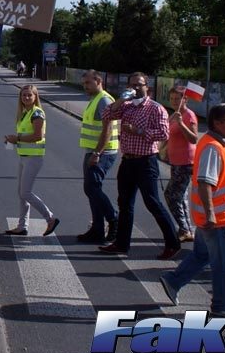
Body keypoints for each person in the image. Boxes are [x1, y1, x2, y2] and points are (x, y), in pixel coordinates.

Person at [159, 103, 225, 318]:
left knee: (202, 255)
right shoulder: (212, 146)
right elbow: (204, 181)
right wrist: (211, 213)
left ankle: (173, 281)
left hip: (215, 217)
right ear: (217, 123)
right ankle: (222, 305)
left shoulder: (220, 143)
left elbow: (218, 175)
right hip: (218, 219)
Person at [99, 72, 181, 259]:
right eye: (132, 85)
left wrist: (138, 131)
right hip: (128, 160)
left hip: (146, 161)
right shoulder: (126, 107)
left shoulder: (155, 108)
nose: (136, 88)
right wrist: (121, 99)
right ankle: (121, 243)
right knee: (125, 203)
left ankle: (172, 243)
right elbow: (106, 115)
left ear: (147, 87)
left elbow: (163, 134)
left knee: (152, 202)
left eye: (139, 85)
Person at [4, 85, 58, 236]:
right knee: (21, 193)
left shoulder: (37, 113)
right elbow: (24, 136)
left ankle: (50, 218)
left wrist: (18, 138)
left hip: (34, 158)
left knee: (25, 192)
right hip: (24, 157)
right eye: (23, 95)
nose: (26, 98)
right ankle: (22, 226)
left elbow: (38, 136)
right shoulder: (24, 113)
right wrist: (12, 140)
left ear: (35, 97)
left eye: (29, 95)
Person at [77, 70, 119, 243]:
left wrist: (97, 153)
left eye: (88, 83)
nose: (85, 87)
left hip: (103, 152)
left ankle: (114, 219)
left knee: (92, 188)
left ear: (98, 81)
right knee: (91, 189)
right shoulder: (95, 99)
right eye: (84, 84)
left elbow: (107, 129)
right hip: (92, 150)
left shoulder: (103, 100)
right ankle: (97, 230)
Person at [164, 86, 198, 243]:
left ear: (185, 99)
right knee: (181, 196)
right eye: (171, 99)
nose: (174, 102)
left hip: (186, 161)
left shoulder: (188, 115)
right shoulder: (175, 115)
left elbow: (193, 138)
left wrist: (181, 124)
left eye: (177, 99)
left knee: (171, 195)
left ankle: (184, 228)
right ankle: (187, 229)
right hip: (176, 161)